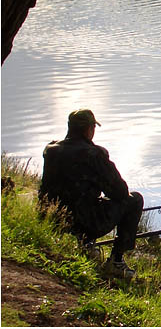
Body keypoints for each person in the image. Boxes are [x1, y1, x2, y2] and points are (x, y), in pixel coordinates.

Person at [39, 109, 143, 279]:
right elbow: (120, 192)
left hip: (50, 217)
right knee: (134, 200)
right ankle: (116, 262)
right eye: (93, 128)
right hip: (84, 222)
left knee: (79, 199)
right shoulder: (94, 154)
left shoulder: (50, 150)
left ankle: (85, 243)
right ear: (89, 129)